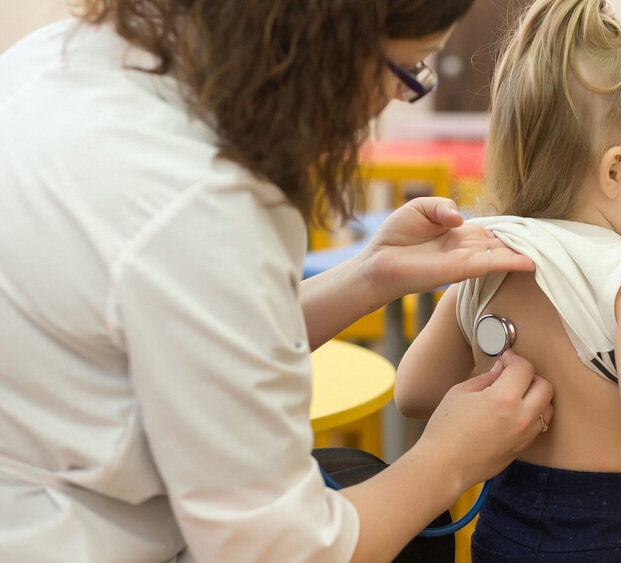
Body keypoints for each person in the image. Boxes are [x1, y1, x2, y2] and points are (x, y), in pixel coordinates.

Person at [0, 1, 555, 561]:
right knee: (410, 525)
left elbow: (200, 328)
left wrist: (370, 274)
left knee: (365, 479)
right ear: (328, 42)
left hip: (67, 485)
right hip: (70, 537)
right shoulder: (197, 203)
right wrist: (449, 461)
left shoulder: (58, 57)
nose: (395, 96)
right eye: (409, 69)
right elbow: (282, 551)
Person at [394, 1, 621, 560]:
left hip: (502, 532)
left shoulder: (486, 261)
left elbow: (414, 393)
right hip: (616, 540)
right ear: (615, 169)